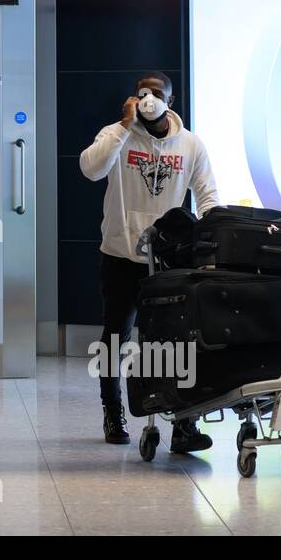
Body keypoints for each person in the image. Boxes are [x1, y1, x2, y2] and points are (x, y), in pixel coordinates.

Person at [79, 71, 220, 451]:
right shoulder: (116, 134)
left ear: (170, 101)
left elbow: (207, 195)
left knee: (176, 342)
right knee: (115, 339)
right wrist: (125, 126)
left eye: (157, 93)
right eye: (142, 91)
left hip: (170, 260)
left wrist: (209, 235)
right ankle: (113, 412)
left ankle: (184, 424)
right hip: (121, 256)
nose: (149, 97)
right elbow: (90, 169)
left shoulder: (190, 145)